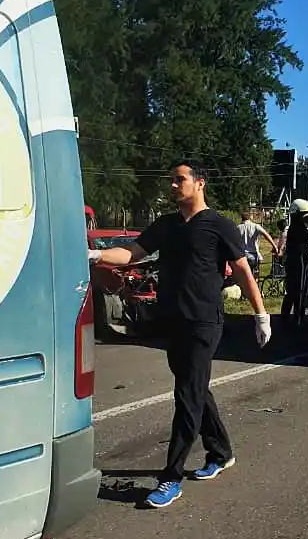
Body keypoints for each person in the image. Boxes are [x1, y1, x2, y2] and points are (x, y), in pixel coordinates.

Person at [89, 161, 271, 508]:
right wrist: (97, 254)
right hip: (173, 321)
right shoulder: (168, 225)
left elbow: (244, 271)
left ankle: (171, 477)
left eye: (179, 180)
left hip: (205, 323)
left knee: (186, 394)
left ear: (200, 183)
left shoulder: (219, 225)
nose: (173, 185)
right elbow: (131, 253)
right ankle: (220, 452)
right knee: (196, 387)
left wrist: (261, 314)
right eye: (171, 180)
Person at [282, 199, 308, 327]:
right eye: (306, 215)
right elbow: (304, 249)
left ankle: (286, 315)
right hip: (298, 263)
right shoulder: (300, 230)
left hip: (291, 262)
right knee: (299, 290)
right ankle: (298, 317)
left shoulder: (293, 228)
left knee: (291, 290)